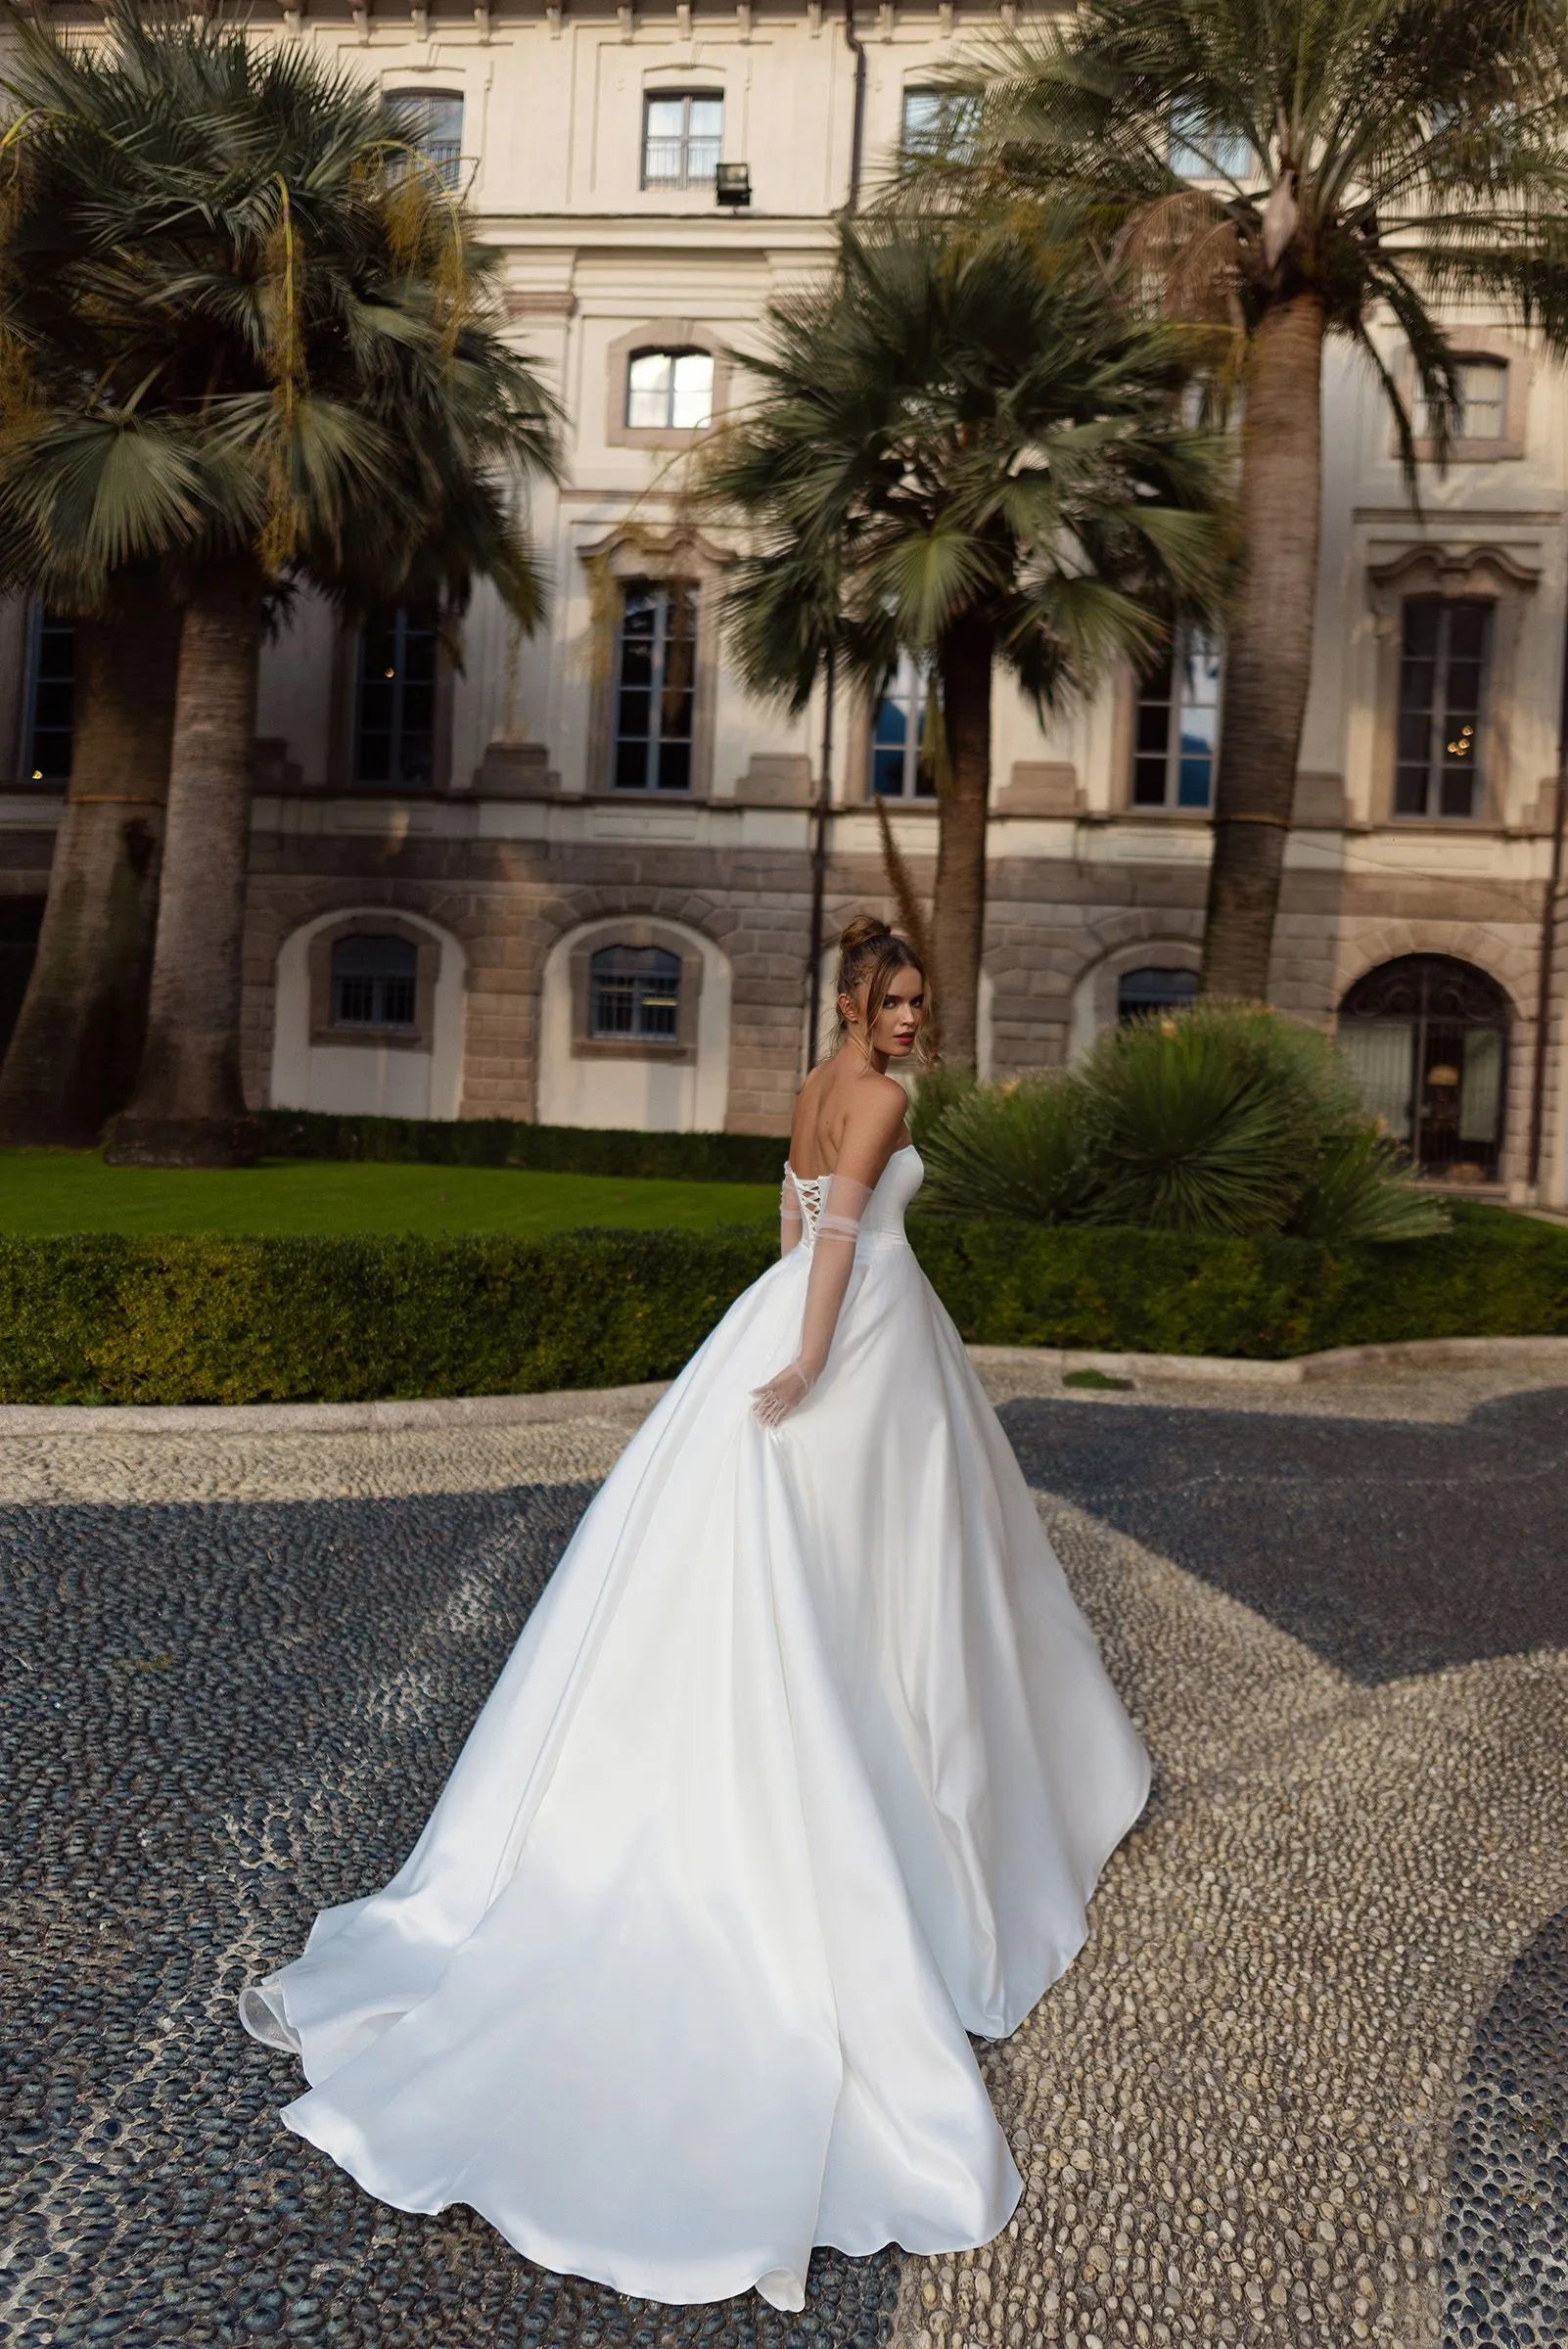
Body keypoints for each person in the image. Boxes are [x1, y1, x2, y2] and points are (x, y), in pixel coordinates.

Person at [238, 911, 1152, 2314]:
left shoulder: (807, 1083)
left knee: (893, 1570)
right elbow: (835, 1238)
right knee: (888, 1571)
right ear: (857, 1001)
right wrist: (804, 1365)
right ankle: (914, 1780)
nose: (912, 1020)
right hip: (850, 1335)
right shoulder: (886, 1098)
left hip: (799, 1313)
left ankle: (912, 1741)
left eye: (919, 1001)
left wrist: (781, 1317)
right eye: (894, 1000)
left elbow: (782, 1218)